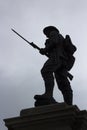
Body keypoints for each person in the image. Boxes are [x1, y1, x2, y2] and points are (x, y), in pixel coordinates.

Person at [38, 26, 76, 105]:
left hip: (57, 58)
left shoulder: (53, 33)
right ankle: (68, 104)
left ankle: (48, 95)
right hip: (62, 61)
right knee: (63, 82)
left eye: (46, 33)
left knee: (46, 71)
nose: (46, 35)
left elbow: (54, 42)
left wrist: (44, 50)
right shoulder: (61, 37)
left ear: (50, 30)